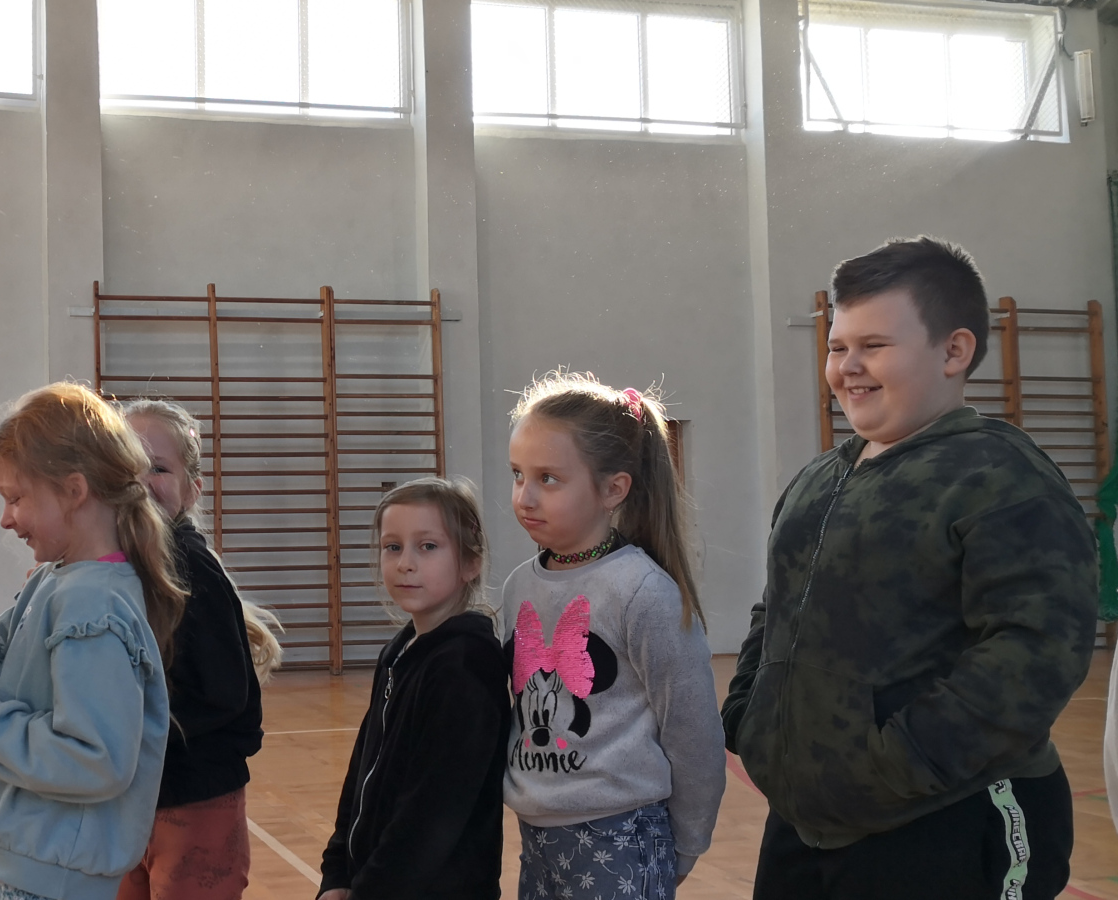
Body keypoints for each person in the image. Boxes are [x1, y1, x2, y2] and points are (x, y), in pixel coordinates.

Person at [722, 237, 1095, 899]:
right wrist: (748, 717)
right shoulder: (817, 479)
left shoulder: (999, 476)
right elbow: (776, 606)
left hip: (949, 821)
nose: (847, 367)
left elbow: (1036, 650)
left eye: (874, 345)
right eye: (838, 346)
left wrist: (902, 760)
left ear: (954, 352)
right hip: (806, 825)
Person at [0, 382, 187, 900]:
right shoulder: (57, 579)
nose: (6, 518)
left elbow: (94, 759)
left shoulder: (92, 603)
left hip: (48, 876)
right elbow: (22, 693)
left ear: (73, 491)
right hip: (28, 860)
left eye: (15, 498)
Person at [500, 373, 724, 900]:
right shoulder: (518, 586)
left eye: (548, 478)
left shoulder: (641, 591)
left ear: (612, 489)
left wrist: (687, 842)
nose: (525, 496)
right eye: (517, 475)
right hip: (538, 837)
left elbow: (693, 732)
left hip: (622, 835)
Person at [318, 476, 510, 900]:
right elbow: (360, 775)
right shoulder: (399, 651)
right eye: (393, 547)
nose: (406, 562)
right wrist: (337, 874)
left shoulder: (466, 666)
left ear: (471, 563)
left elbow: (431, 816)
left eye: (427, 546)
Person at [117, 399, 278, 900]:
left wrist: (131, 732)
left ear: (192, 489)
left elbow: (226, 697)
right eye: (128, 467)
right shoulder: (109, 568)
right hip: (127, 799)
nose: (142, 482)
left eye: (159, 469)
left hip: (192, 799)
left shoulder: (189, 565)